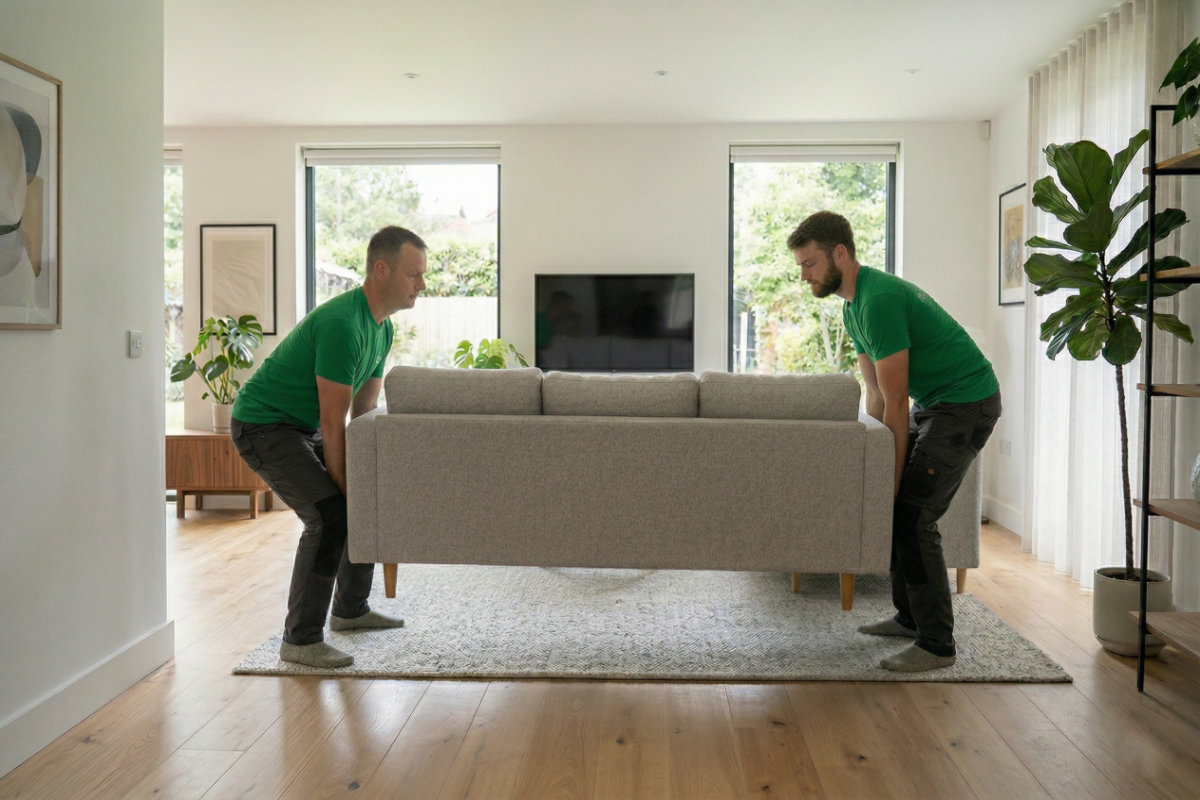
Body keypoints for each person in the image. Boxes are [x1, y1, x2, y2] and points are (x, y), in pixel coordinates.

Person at [787, 211, 1001, 672]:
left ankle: (937, 645)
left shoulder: (879, 299)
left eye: (809, 264)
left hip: (967, 404)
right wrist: (877, 463)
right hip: (939, 403)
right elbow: (876, 393)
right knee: (901, 510)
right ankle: (909, 618)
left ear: (839, 253)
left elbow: (899, 399)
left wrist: (893, 475)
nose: (803, 275)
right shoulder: (852, 307)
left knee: (914, 515)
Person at [231, 225, 428, 668]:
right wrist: (343, 488)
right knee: (328, 517)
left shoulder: (381, 328)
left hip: (302, 426)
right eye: (413, 274)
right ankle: (299, 641)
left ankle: (350, 610)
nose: (422, 284)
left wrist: (364, 483)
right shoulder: (342, 324)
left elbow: (362, 414)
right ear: (382, 269)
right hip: (264, 424)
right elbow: (332, 422)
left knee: (360, 502)